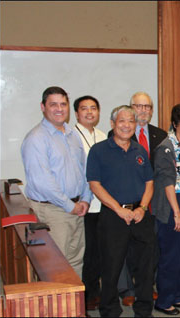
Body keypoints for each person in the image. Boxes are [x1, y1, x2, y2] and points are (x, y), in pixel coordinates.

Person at [86, 105, 155, 318]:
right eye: (122, 121)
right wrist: (118, 209)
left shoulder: (139, 150)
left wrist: (142, 208)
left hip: (140, 215)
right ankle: (109, 311)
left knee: (145, 267)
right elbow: (95, 184)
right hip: (113, 216)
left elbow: (149, 182)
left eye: (131, 121)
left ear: (136, 125)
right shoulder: (98, 151)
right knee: (111, 267)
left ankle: (144, 311)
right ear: (113, 124)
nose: (127, 125)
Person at [22, 86, 92, 279]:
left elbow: (84, 170)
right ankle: (53, 310)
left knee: (75, 262)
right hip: (53, 212)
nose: (59, 109)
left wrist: (85, 199)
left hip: (76, 209)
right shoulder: (36, 138)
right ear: (43, 107)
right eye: (53, 104)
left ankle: (71, 309)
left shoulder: (72, 134)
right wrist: (70, 206)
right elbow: (43, 182)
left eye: (63, 104)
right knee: (54, 266)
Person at [116, 91, 167, 306]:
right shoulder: (120, 134)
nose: (143, 110)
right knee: (124, 247)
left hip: (153, 201)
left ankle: (147, 286)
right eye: (138, 106)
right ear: (130, 108)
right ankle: (126, 289)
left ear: (152, 110)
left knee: (151, 246)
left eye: (147, 107)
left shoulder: (161, 134)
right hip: (127, 200)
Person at [151, 103, 180, 315]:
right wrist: (177, 212)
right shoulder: (166, 147)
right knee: (170, 253)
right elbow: (167, 182)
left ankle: (178, 295)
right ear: (174, 124)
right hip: (171, 204)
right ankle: (164, 299)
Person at [72, 95, 107, 311]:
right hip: (84, 204)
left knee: (101, 252)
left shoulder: (103, 136)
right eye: (84, 109)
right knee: (85, 252)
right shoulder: (71, 136)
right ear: (76, 113)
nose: (89, 112)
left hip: (104, 204)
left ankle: (95, 292)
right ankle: (84, 295)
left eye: (93, 108)